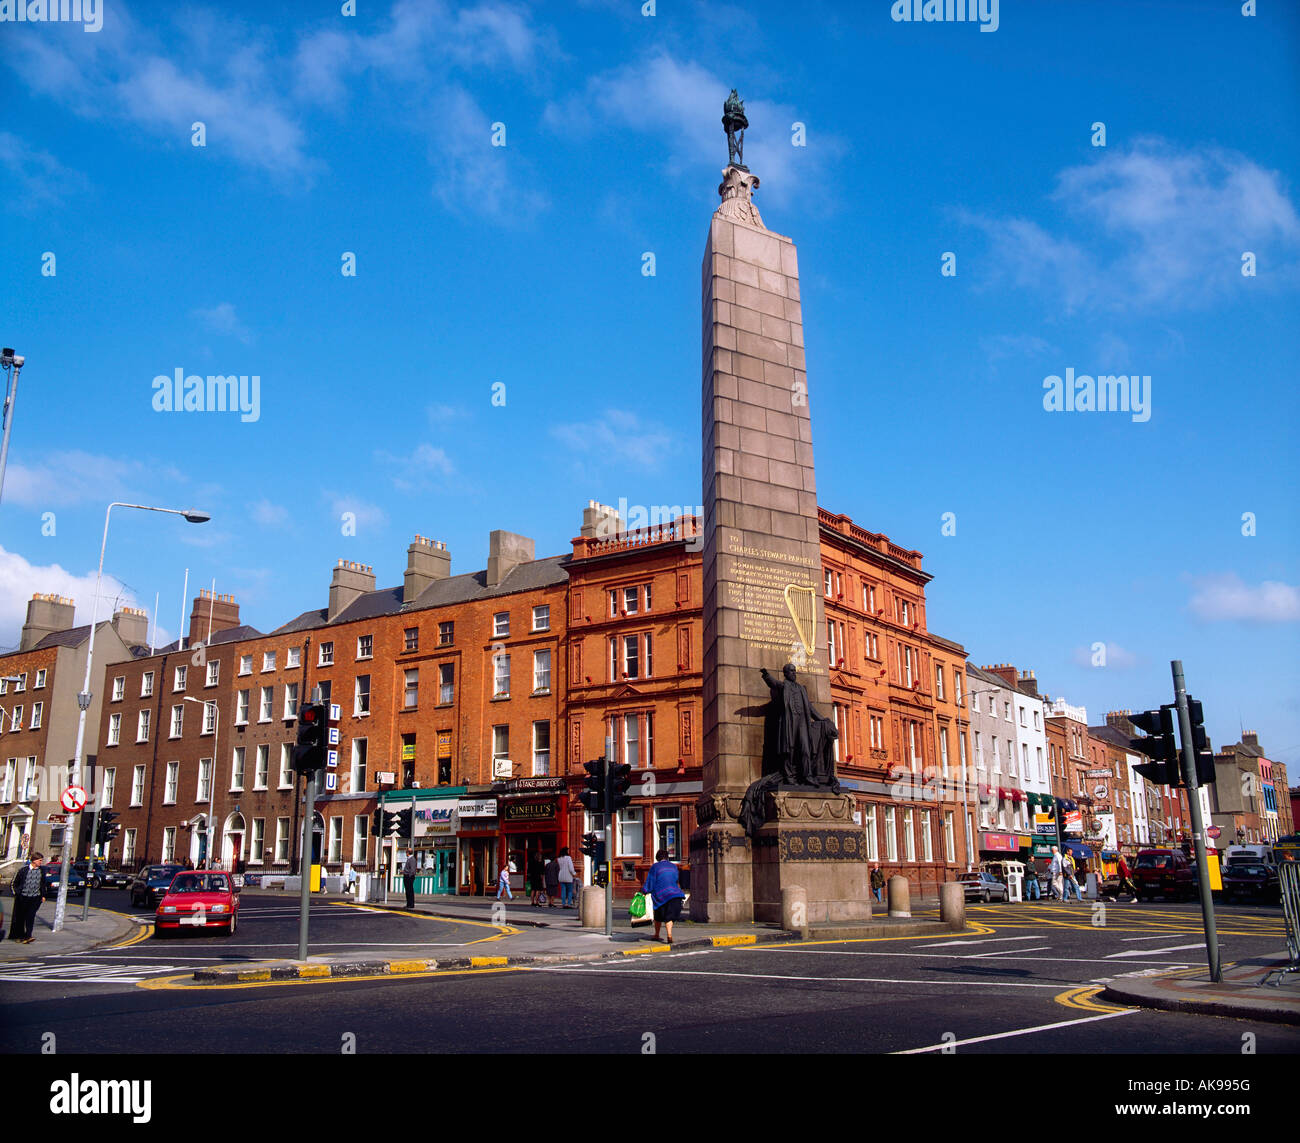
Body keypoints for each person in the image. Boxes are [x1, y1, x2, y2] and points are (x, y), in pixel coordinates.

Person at [641, 849, 687, 944]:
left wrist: (644, 891)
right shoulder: (674, 866)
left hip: (661, 895)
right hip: (675, 895)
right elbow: (676, 880)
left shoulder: (655, 867)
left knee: (658, 915)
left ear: (657, 858)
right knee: (669, 917)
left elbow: (650, 881)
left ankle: (657, 934)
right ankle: (669, 935)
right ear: (667, 857)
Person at [8, 852, 45, 943]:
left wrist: (43, 895)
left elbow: (43, 884)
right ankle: (19, 935)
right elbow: (14, 883)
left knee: (30, 917)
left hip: (35, 898)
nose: (41, 862)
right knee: (20, 917)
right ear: (34, 860)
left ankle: (28, 936)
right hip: (23, 897)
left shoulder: (41, 871)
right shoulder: (23, 870)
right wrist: (16, 894)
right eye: (39, 860)